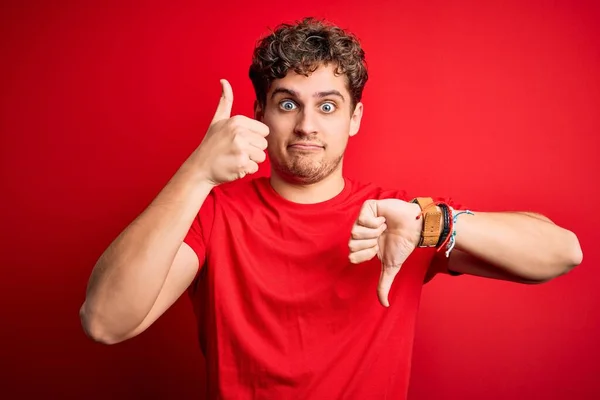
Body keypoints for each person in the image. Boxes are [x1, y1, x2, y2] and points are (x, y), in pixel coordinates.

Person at [80, 16, 583, 400]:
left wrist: (435, 224)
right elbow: (105, 321)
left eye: (326, 106)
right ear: (260, 115)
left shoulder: (398, 218)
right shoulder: (215, 213)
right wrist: (196, 171)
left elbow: (563, 252)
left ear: (355, 117)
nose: (306, 127)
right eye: (286, 103)